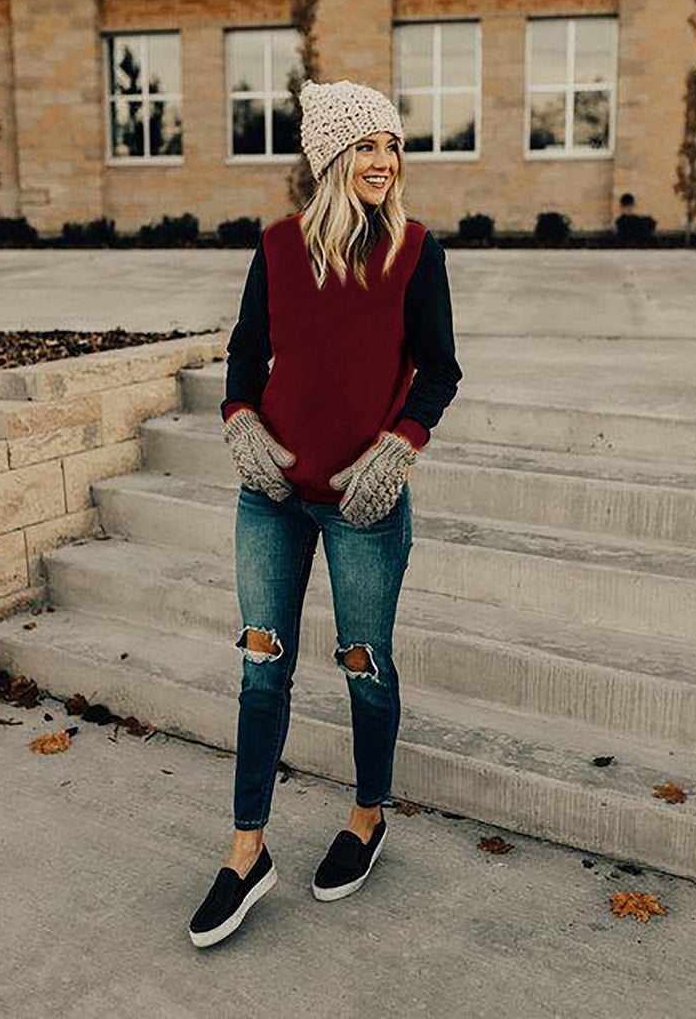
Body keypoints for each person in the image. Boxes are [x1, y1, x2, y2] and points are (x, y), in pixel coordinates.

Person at [189, 78, 462, 948]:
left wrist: (400, 446)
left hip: (363, 503)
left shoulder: (416, 252)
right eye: (368, 146)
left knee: (364, 664)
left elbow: (439, 369)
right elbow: (243, 357)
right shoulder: (275, 249)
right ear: (331, 160)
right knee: (261, 666)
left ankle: (367, 817)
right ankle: (245, 854)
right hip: (270, 497)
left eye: (393, 146)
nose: (385, 161)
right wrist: (240, 425)